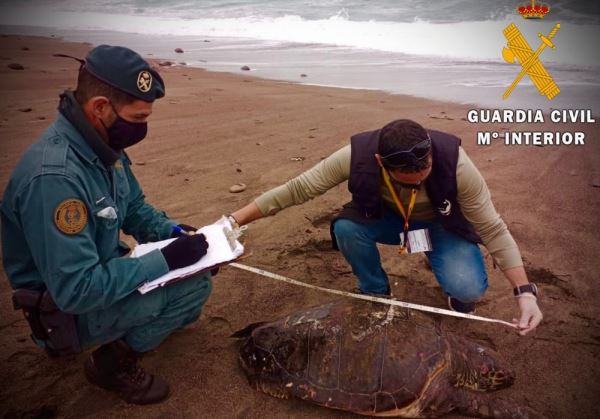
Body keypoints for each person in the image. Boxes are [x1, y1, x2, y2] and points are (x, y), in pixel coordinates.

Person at [1, 45, 213, 404]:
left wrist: (174, 234)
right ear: (100, 107)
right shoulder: (55, 179)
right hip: (64, 314)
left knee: (193, 283)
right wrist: (167, 260)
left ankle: (142, 319)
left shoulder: (100, 146)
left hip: (101, 276)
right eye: (138, 118)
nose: (142, 128)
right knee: (191, 291)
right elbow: (76, 289)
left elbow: (133, 208)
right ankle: (109, 364)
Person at [230, 119, 543, 335]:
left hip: (440, 227)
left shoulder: (457, 165)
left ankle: (439, 259)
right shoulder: (358, 156)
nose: (420, 182)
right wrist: (232, 222)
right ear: (380, 161)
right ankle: (375, 292)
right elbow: (297, 189)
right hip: (390, 223)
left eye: (425, 173)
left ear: (431, 152)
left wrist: (524, 293)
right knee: (347, 229)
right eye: (408, 181)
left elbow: (493, 229)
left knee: (468, 289)